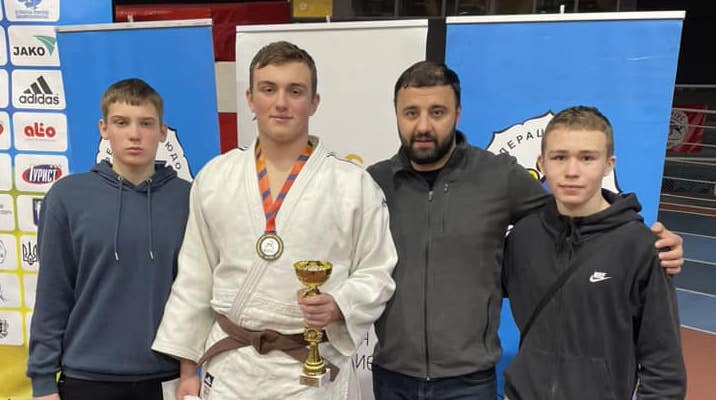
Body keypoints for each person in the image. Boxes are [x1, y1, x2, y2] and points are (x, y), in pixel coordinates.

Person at [367, 61, 684, 399]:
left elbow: (575, 213)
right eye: (411, 113)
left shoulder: (498, 175)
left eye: (437, 112)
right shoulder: (372, 184)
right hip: (393, 376)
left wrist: (642, 237)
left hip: (467, 383)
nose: (423, 125)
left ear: (457, 114)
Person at [151, 41, 397, 400]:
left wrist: (339, 304)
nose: (281, 102)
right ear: (250, 99)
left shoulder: (352, 184)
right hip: (231, 368)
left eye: (295, 91)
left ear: (314, 102)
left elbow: (378, 271)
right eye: (268, 89)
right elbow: (194, 277)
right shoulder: (216, 177)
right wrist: (188, 369)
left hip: (312, 370)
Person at [502, 106, 686, 399]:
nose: (571, 171)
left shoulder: (640, 247)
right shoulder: (523, 236)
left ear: (608, 164)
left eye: (587, 158)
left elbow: (664, 366)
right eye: (559, 157)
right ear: (541, 163)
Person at [27, 78, 191, 399]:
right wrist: (43, 382)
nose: (134, 134)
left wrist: (189, 370)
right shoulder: (67, 197)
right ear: (103, 128)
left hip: (164, 378)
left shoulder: (188, 199)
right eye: (121, 122)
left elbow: (195, 295)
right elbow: (52, 294)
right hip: (85, 377)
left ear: (162, 132)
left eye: (146, 123)